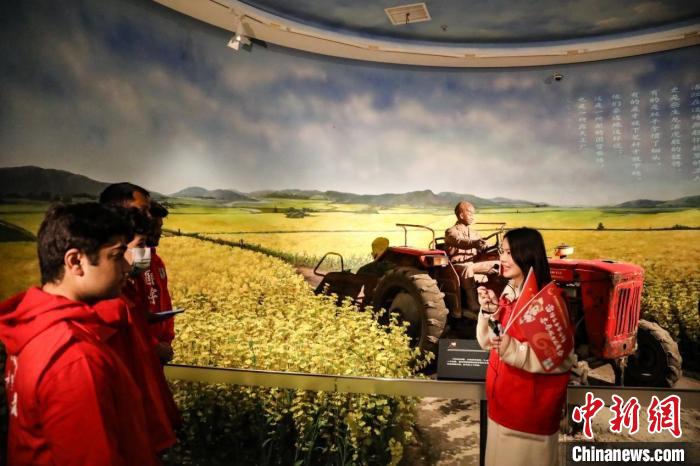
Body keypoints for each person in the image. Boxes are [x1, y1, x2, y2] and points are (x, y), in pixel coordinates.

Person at [0, 203, 158, 466]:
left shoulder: (32, 328)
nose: (126, 267)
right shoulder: (75, 359)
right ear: (75, 262)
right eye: (117, 256)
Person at [476, 227, 575, 466]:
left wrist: (511, 349)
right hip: (501, 410)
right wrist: (490, 312)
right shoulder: (509, 294)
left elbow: (561, 359)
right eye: (502, 251)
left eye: (509, 253)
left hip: (527, 420)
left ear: (527, 254)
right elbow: (491, 343)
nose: (502, 258)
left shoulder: (548, 301)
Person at [444, 201, 497, 316]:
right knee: (467, 269)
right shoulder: (451, 232)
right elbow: (459, 242)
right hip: (456, 266)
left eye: (473, 214)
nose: (473, 217)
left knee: (497, 264)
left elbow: (482, 246)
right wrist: (475, 243)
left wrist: (492, 246)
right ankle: (473, 304)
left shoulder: (474, 233)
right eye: (470, 214)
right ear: (461, 215)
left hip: (472, 263)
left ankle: (498, 296)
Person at [144, 201, 175, 364]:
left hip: (158, 351)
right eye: (154, 227)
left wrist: (167, 341)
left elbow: (165, 304)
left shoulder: (156, 261)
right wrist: (153, 345)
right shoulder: (132, 263)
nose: (159, 232)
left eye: (160, 226)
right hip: (142, 351)